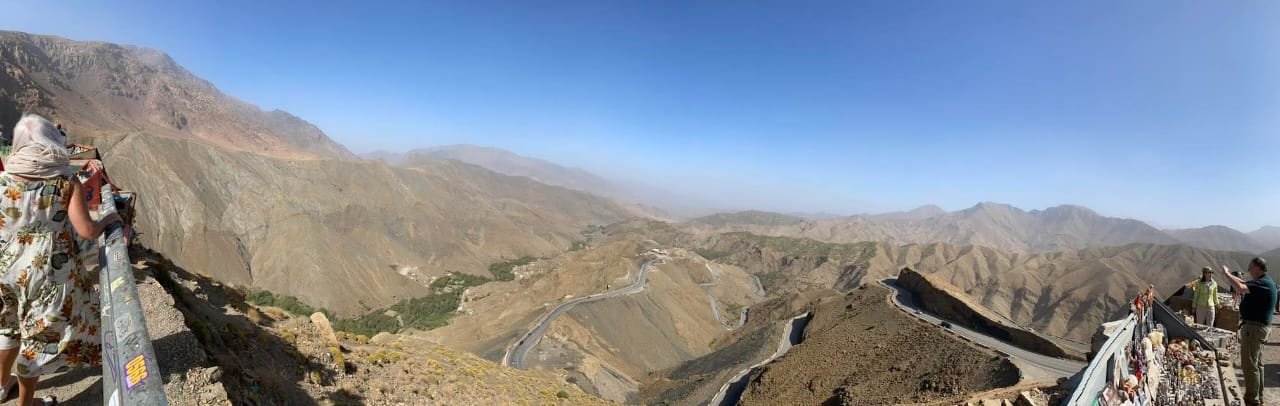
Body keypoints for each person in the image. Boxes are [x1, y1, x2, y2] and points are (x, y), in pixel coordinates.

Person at [0, 114, 121, 406]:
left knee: (6, 327)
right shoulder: (66, 182)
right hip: (46, 276)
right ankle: (27, 404)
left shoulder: (3, 179)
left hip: (4, 268)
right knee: (38, 341)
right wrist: (109, 219)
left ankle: (1, 387)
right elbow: (86, 230)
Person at [1221, 257, 1276, 406]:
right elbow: (1243, 283)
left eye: (1251, 267)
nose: (1249, 270)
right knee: (1257, 364)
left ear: (1258, 268)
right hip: (1257, 328)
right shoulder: (1263, 282)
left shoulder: (1263, 283)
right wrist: (1230, 274)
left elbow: (1240, 287)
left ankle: (1252, 399)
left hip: (1254, 329)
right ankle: (1258, 395)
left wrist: (1226, 274)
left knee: (1249, 364)